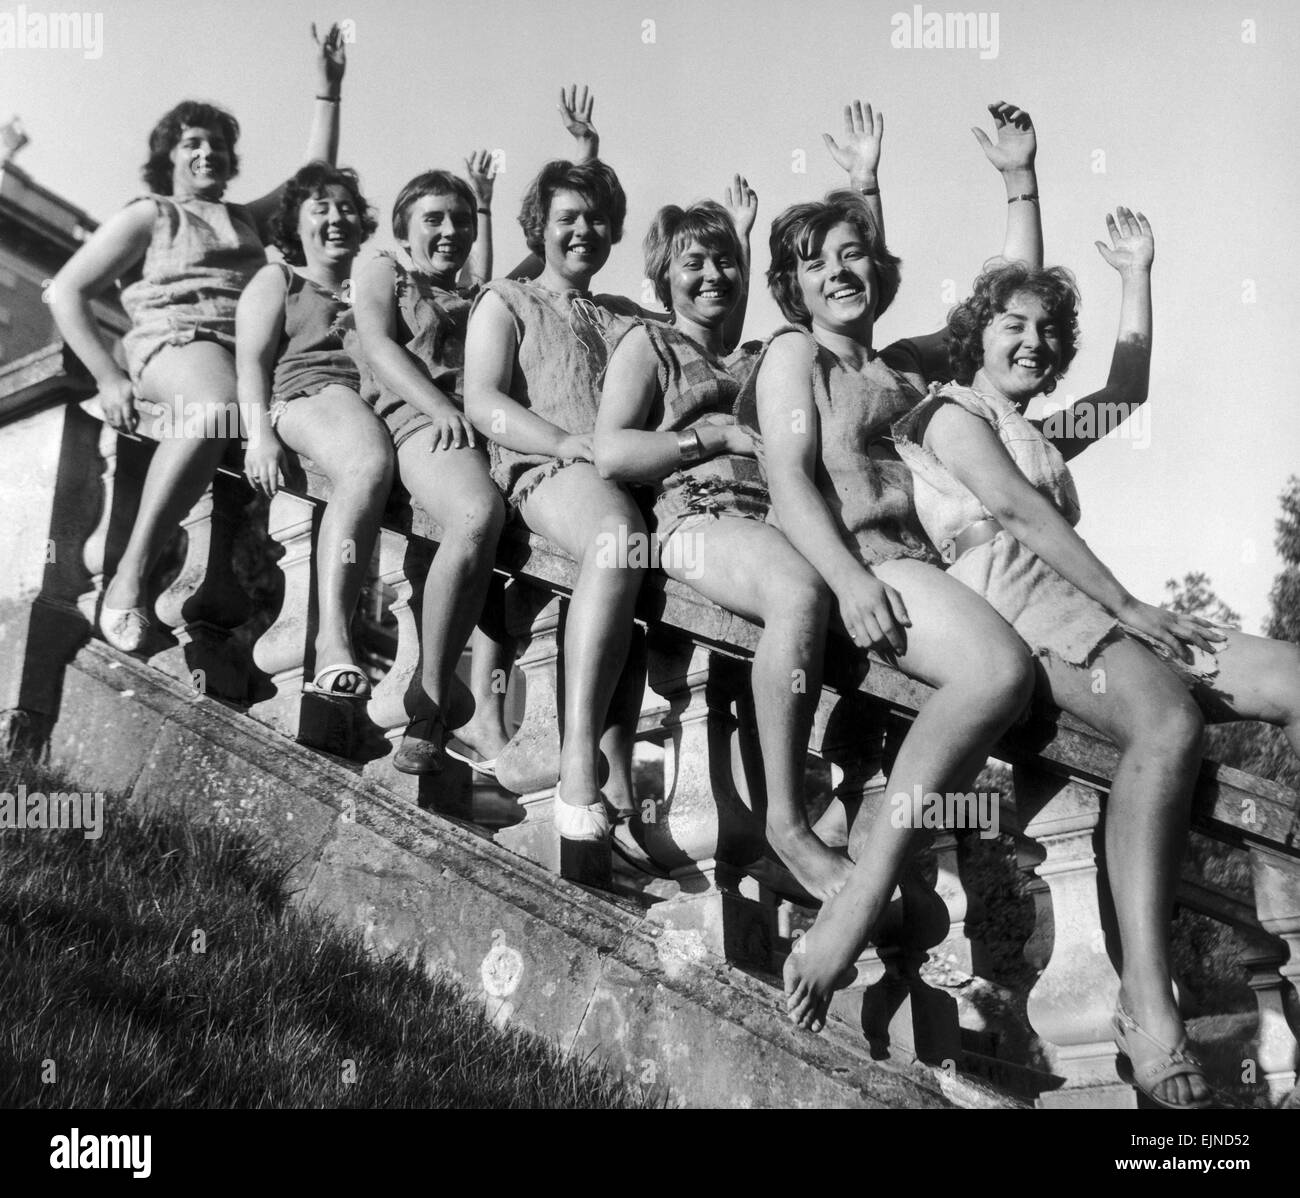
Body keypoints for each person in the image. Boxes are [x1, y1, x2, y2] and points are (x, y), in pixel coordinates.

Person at [890, 212, 1300, 1107]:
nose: (1033, 342)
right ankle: (1150, 1004)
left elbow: (1128, 389)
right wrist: (1127, 607)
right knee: (1166, 720)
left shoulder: (1037, 431)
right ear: (975, 337)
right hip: (1031, 619)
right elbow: (1025, 518)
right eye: (1013, 325)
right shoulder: (947, 416)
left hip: (1099, 610)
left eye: (1047, 331)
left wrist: (1137, 274)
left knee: (1293, 678)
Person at [751, 101, 1043, 1032]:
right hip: (869, 567)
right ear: (791, 292)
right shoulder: (794, 356)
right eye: (816, 262)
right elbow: (790, 481)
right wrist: (846, 581)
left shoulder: (906, 368)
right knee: (999, 673)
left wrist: (1018, 182)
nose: (841, 271)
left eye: (854, 254)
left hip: (924, 570)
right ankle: (849, 909)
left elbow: (1016, 300)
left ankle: (865, 906)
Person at [595, 191, 860, 901]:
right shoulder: (646, 344)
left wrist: (863, 190)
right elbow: (610, 451)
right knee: (797, 593)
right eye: (693, 262)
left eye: (725, 262)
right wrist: (700, 438)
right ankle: (790, 828)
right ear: (662, 277)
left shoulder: (758, 357)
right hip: (693, 521)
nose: (711, 273)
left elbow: (863, 302)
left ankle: (843, 832)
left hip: (769, 526)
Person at [50, 24, 347, 652]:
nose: (207, 153)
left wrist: (329, 92)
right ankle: (127, 580)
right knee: (210, 413)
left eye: (216, 144)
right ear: (170, 156)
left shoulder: (243, 218)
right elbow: (67, 290)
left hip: (241, 356)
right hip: (175, 342)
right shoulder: (150, 214)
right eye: (192, 143)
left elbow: (312, 177)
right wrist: (107, 375)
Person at [349, 89, 601, 775]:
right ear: (403, 230)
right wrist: (435, 406)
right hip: (422, 425)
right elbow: (376, 343)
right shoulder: (384, 270)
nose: (450, 231)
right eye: (434, 219)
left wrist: (584, 157)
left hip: (484, 435)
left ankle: (494, 718)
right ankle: (430, 701)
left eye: (461, 220)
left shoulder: (476, 295)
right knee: (474, 514)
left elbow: (539, 263)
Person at [236, 163, 392, 700]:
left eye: (346, 207)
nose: (336, 218)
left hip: (372, 403)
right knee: (366, 464)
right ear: (295, 224)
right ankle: (333, 639)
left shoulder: (375, 287)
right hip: (304, 397)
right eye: (320, 208)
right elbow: (251, 361)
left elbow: (473, 286)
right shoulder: (279, 278)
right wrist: (259, 436)